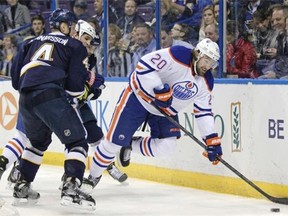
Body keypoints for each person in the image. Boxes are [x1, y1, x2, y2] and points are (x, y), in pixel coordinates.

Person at [81, 38, 223, 193]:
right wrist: (159, 89)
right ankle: (92, 177)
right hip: (139, 98)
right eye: (206, 60)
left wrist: (211, 140)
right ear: (198, 53)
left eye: (212, 63)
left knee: (167, 146)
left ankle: (129, 146)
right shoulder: (179, 55)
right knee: (113, 143)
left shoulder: (207, 81)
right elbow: (144, 65)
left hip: (164, 111)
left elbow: (203, 111)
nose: (208, 66)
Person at [9, 8, 98, 210]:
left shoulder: (29, 42)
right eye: (73, 27)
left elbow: (16, 80)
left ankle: (22, 185)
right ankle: (71, 189)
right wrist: (80, 91)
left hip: (25, 98)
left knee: (37, 143)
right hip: (50, 95)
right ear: (65, 26)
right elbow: (74, 88)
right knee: (77, 141)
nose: (75, 31)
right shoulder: (75, 45)